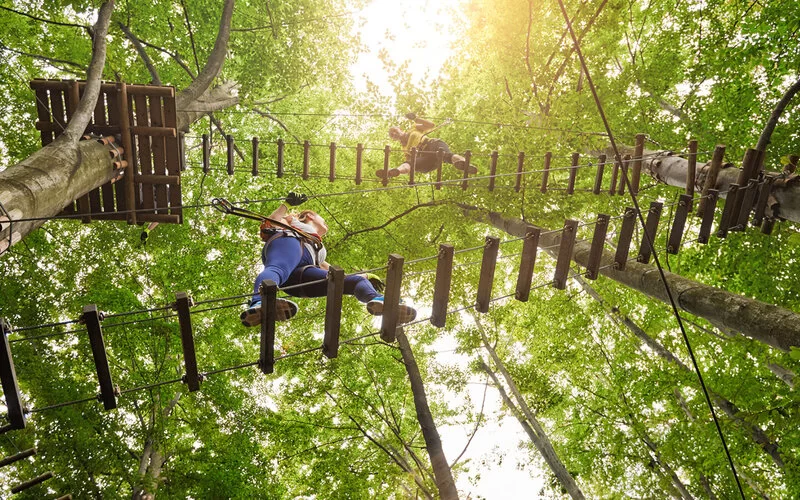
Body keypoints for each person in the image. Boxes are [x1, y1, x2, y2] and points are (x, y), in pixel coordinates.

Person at [241, 192, 417, 327]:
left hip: (303, 273)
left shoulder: (319, 249)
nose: (325, 224)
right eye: (322, 219)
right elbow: (270, 223)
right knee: (278, 268)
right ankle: (259, 301)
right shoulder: (293, 222)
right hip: (289, 243)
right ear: (309, 216)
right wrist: (286, 205)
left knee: (351, 282)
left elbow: (334, 274)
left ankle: (379, 301)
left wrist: (366, 277)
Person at [377, 113, 478, 179]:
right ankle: (393, 172)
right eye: (392, 135)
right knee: (410, 163)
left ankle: (464, 164)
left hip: (431, 144)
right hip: (425, 158)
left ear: (400, 129)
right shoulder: (404, 149)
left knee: (447, 155)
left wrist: (416, 119)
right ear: (393, 139)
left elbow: (431, 125)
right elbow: (411, 163)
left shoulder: (413, 129)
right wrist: (414, 156)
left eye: (394, 131)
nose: (394, 134)